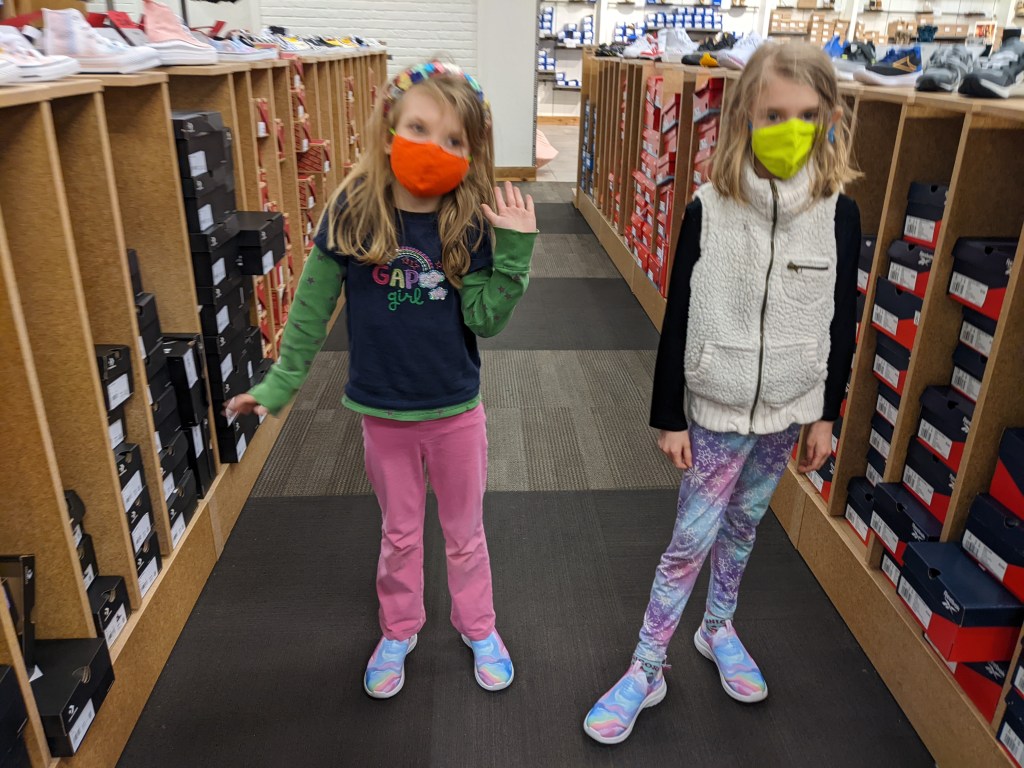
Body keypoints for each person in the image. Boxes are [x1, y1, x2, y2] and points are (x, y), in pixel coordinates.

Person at [227, 61, 537, 699]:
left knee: (465, 534)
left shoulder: (470, 218)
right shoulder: (352, 208)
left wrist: (514, 254)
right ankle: (399, 628)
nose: (434, 147)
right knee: (399, 533)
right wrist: (281, 383)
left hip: (455, 410)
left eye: (454, 139)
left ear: (472, 151)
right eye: (419, 128)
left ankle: (478, 625)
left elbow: (485, 318)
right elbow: (311, 305)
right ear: (389, 124)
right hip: (384, 413)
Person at [583, 42, 861, 744]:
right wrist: (669, 415)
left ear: (830, 119)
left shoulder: (840, 214)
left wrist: (826, 413)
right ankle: (647, 665)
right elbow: (678, 313)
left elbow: (841, 319)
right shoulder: (709, 208)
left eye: (807, 115)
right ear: (745, 117)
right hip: (716, 410)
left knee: (744, 528)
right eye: (774, 114)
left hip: (787, 412)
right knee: (690, 540)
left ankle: (718, 626)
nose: (791, 129)